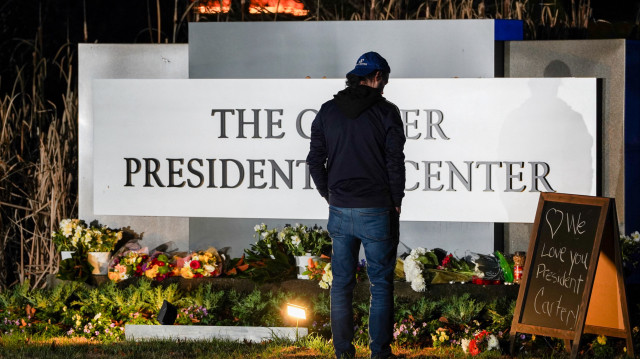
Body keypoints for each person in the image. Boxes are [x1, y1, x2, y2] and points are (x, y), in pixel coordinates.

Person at [306, 51, 406, 359]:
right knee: (380, 285)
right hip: (377, 209)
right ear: (376, 78)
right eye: (384, 81)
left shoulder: (327, 111)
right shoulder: (386, 112)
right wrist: (396, 199)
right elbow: (394, 162)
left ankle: (343, 354)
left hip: (340, 209)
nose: (385, 87)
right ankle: (380, 354)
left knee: (341, 286)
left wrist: (329, 195)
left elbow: (314, 161)